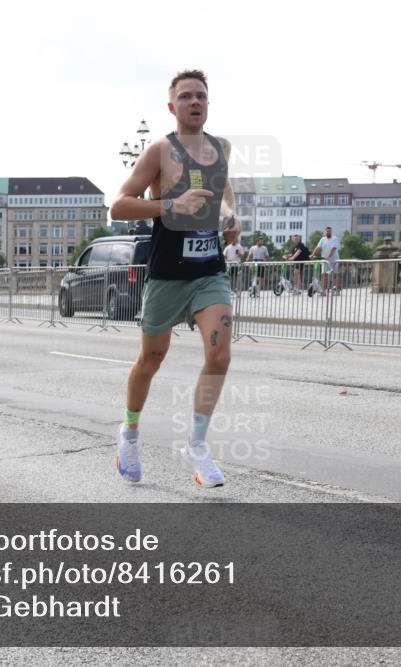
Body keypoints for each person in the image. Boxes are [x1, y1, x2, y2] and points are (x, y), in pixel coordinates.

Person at [110, 69, 238, 487]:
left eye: (200, 95)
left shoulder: (222, 148)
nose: (194, 102)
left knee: (220, 356)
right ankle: (130, 433)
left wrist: (230, 218)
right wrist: (170, 204)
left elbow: (225, 195)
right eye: (185, 96)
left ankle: (196, 445)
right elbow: (120, 206)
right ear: (172, 106)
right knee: (151, 359)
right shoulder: (159, 151)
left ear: (208, 103)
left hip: (209, 272)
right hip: (167, 274)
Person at [311, 226, 342, 292]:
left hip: (334, 260)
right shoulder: (322, 239)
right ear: (325, 232)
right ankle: (324, 289)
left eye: (329, 231)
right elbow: (318, 248)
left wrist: (328, 257)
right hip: (325, 260)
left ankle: (337, 288)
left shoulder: (334, 238)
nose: (328, 232)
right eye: (327, 231)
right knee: (324, 274)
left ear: (331, 232)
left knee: (335, 274)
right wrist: (312, 255)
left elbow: (333, 248)